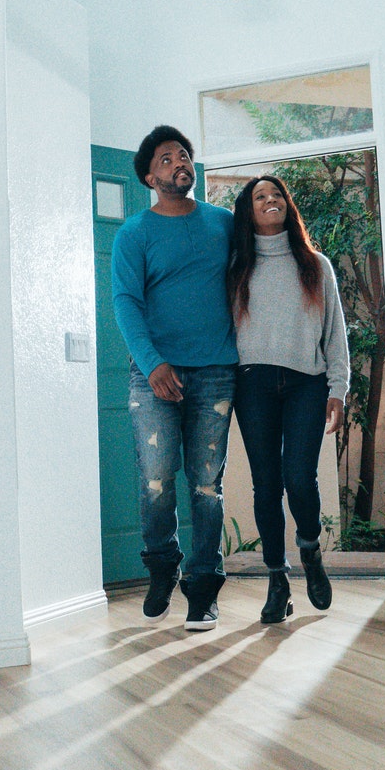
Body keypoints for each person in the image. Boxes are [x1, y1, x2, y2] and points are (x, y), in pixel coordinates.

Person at [112, 125, 237, 631]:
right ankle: (163, 569)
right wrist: (153, 363)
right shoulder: (134, 233)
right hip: (153, 376)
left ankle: (203, 588)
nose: (178, 163)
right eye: (166, 159)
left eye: (183, 155)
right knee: (157, 481)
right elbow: (126, 302)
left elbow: (262, 265)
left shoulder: (224, 223)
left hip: (215, 375)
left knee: (207, 485)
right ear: (150, 175)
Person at [227, 175, 350, 623]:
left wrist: (338, 388)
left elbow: (335, 334)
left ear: (287, 205)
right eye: (260, 196)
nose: (270, 200)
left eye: (277, 194)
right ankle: (277, 580)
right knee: (266, 485)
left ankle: (309, 550)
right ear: (249, 210)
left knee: (299, 479)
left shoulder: (316, 265)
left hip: (306, 384)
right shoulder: (237, 266)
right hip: (253, 383)